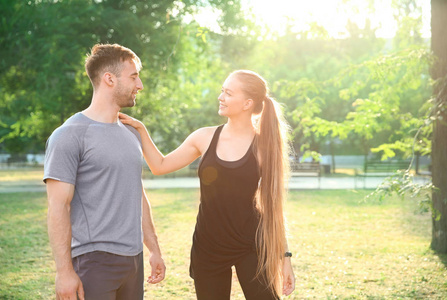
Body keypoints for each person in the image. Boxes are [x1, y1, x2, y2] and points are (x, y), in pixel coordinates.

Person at [119, 70, 295, 299]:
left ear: (247, 103)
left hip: (251, 244)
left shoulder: (264, 146)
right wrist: (141, 129)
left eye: (228, 93)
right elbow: (159, 165)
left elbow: (273, 207)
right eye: (222, 90)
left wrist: (285, 258)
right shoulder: (204, 137)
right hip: (208, 246)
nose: (220, 97)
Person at [44, 43, 166, 300]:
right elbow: (58, 206)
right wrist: (64, 272)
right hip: (94, 261)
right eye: (133, 76)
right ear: (109, 79)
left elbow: (137, 193)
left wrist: (154, 249)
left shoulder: (132, 132)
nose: (140, 85)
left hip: (134, 260)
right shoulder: (68, 135)